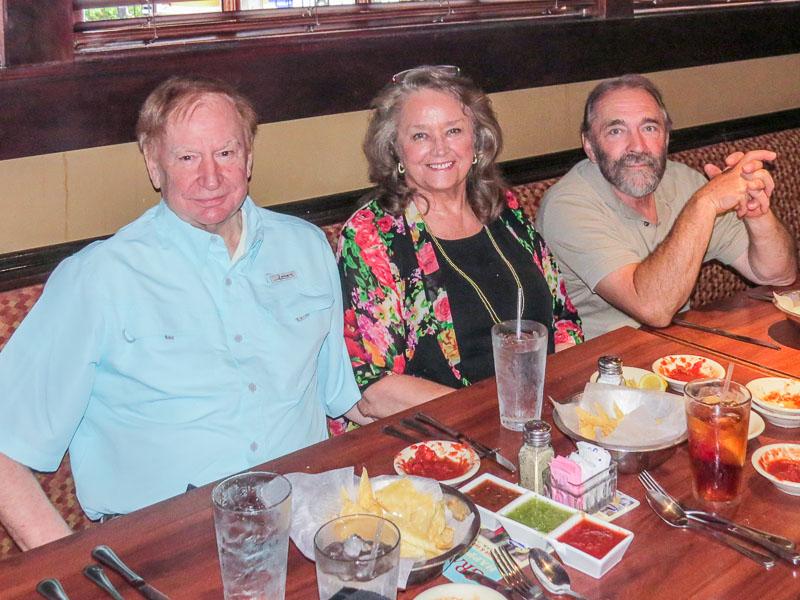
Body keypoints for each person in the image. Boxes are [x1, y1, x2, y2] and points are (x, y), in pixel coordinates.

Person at [0, 76, 360, 550]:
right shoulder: (99, 278)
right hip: (167, 544)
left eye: (226, 153)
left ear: (249, 157)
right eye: (187, 157)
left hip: (312, 521)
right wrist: (73, 574)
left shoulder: (306, 247)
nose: (210, 178)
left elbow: (345, 397)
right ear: (154, 166)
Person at [336, 65, 582, 422]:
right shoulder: (372, 236)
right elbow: (375, 389)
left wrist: (560, 398)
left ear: (478, 142)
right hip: (441, 436)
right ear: (395, 149)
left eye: (453, 130)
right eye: (420, 135)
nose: (440, 148)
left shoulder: (504, 209)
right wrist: (490, 412)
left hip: (540, 416)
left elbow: (563, 319)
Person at [536, 74, 797, 340]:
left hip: (676, 351)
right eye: (616, 131)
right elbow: (654, 309)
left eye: (649, 128)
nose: (637, 146)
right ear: (590, 146)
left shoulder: (682, 180)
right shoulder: (568, 206)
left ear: (666, 138)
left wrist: (756, 210)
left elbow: (778, 276)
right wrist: (704, 204)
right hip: (596, 367)